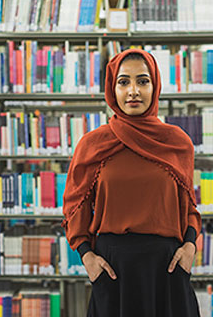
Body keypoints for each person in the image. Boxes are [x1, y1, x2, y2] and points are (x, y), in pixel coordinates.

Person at [61, 48, 202, 317]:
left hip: (167, 269)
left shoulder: (177, 142)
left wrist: (190, 247)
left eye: (143, 81)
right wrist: (87, 257)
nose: (133, 91)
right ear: (112, 88)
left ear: (155, 86)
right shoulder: (93, 144)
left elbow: (189, 208)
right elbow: (75, 206)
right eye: (124, 82)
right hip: (114, 272)